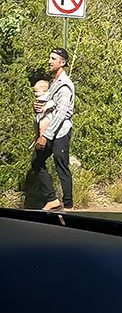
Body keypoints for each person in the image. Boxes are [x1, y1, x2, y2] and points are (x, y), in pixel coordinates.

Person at [32, 48, 75, 211]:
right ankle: (52, 199)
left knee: (61, 166)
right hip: (49, 131)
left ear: (62, 63)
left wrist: (45, 136)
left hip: (60, 132)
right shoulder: (53, 83)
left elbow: (61, 114)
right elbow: (49, 107)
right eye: (49, 58)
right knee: (37, 162)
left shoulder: (65, 85)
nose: (49, 61)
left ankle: (69, 205)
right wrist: (38, 107)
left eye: (53, 58)